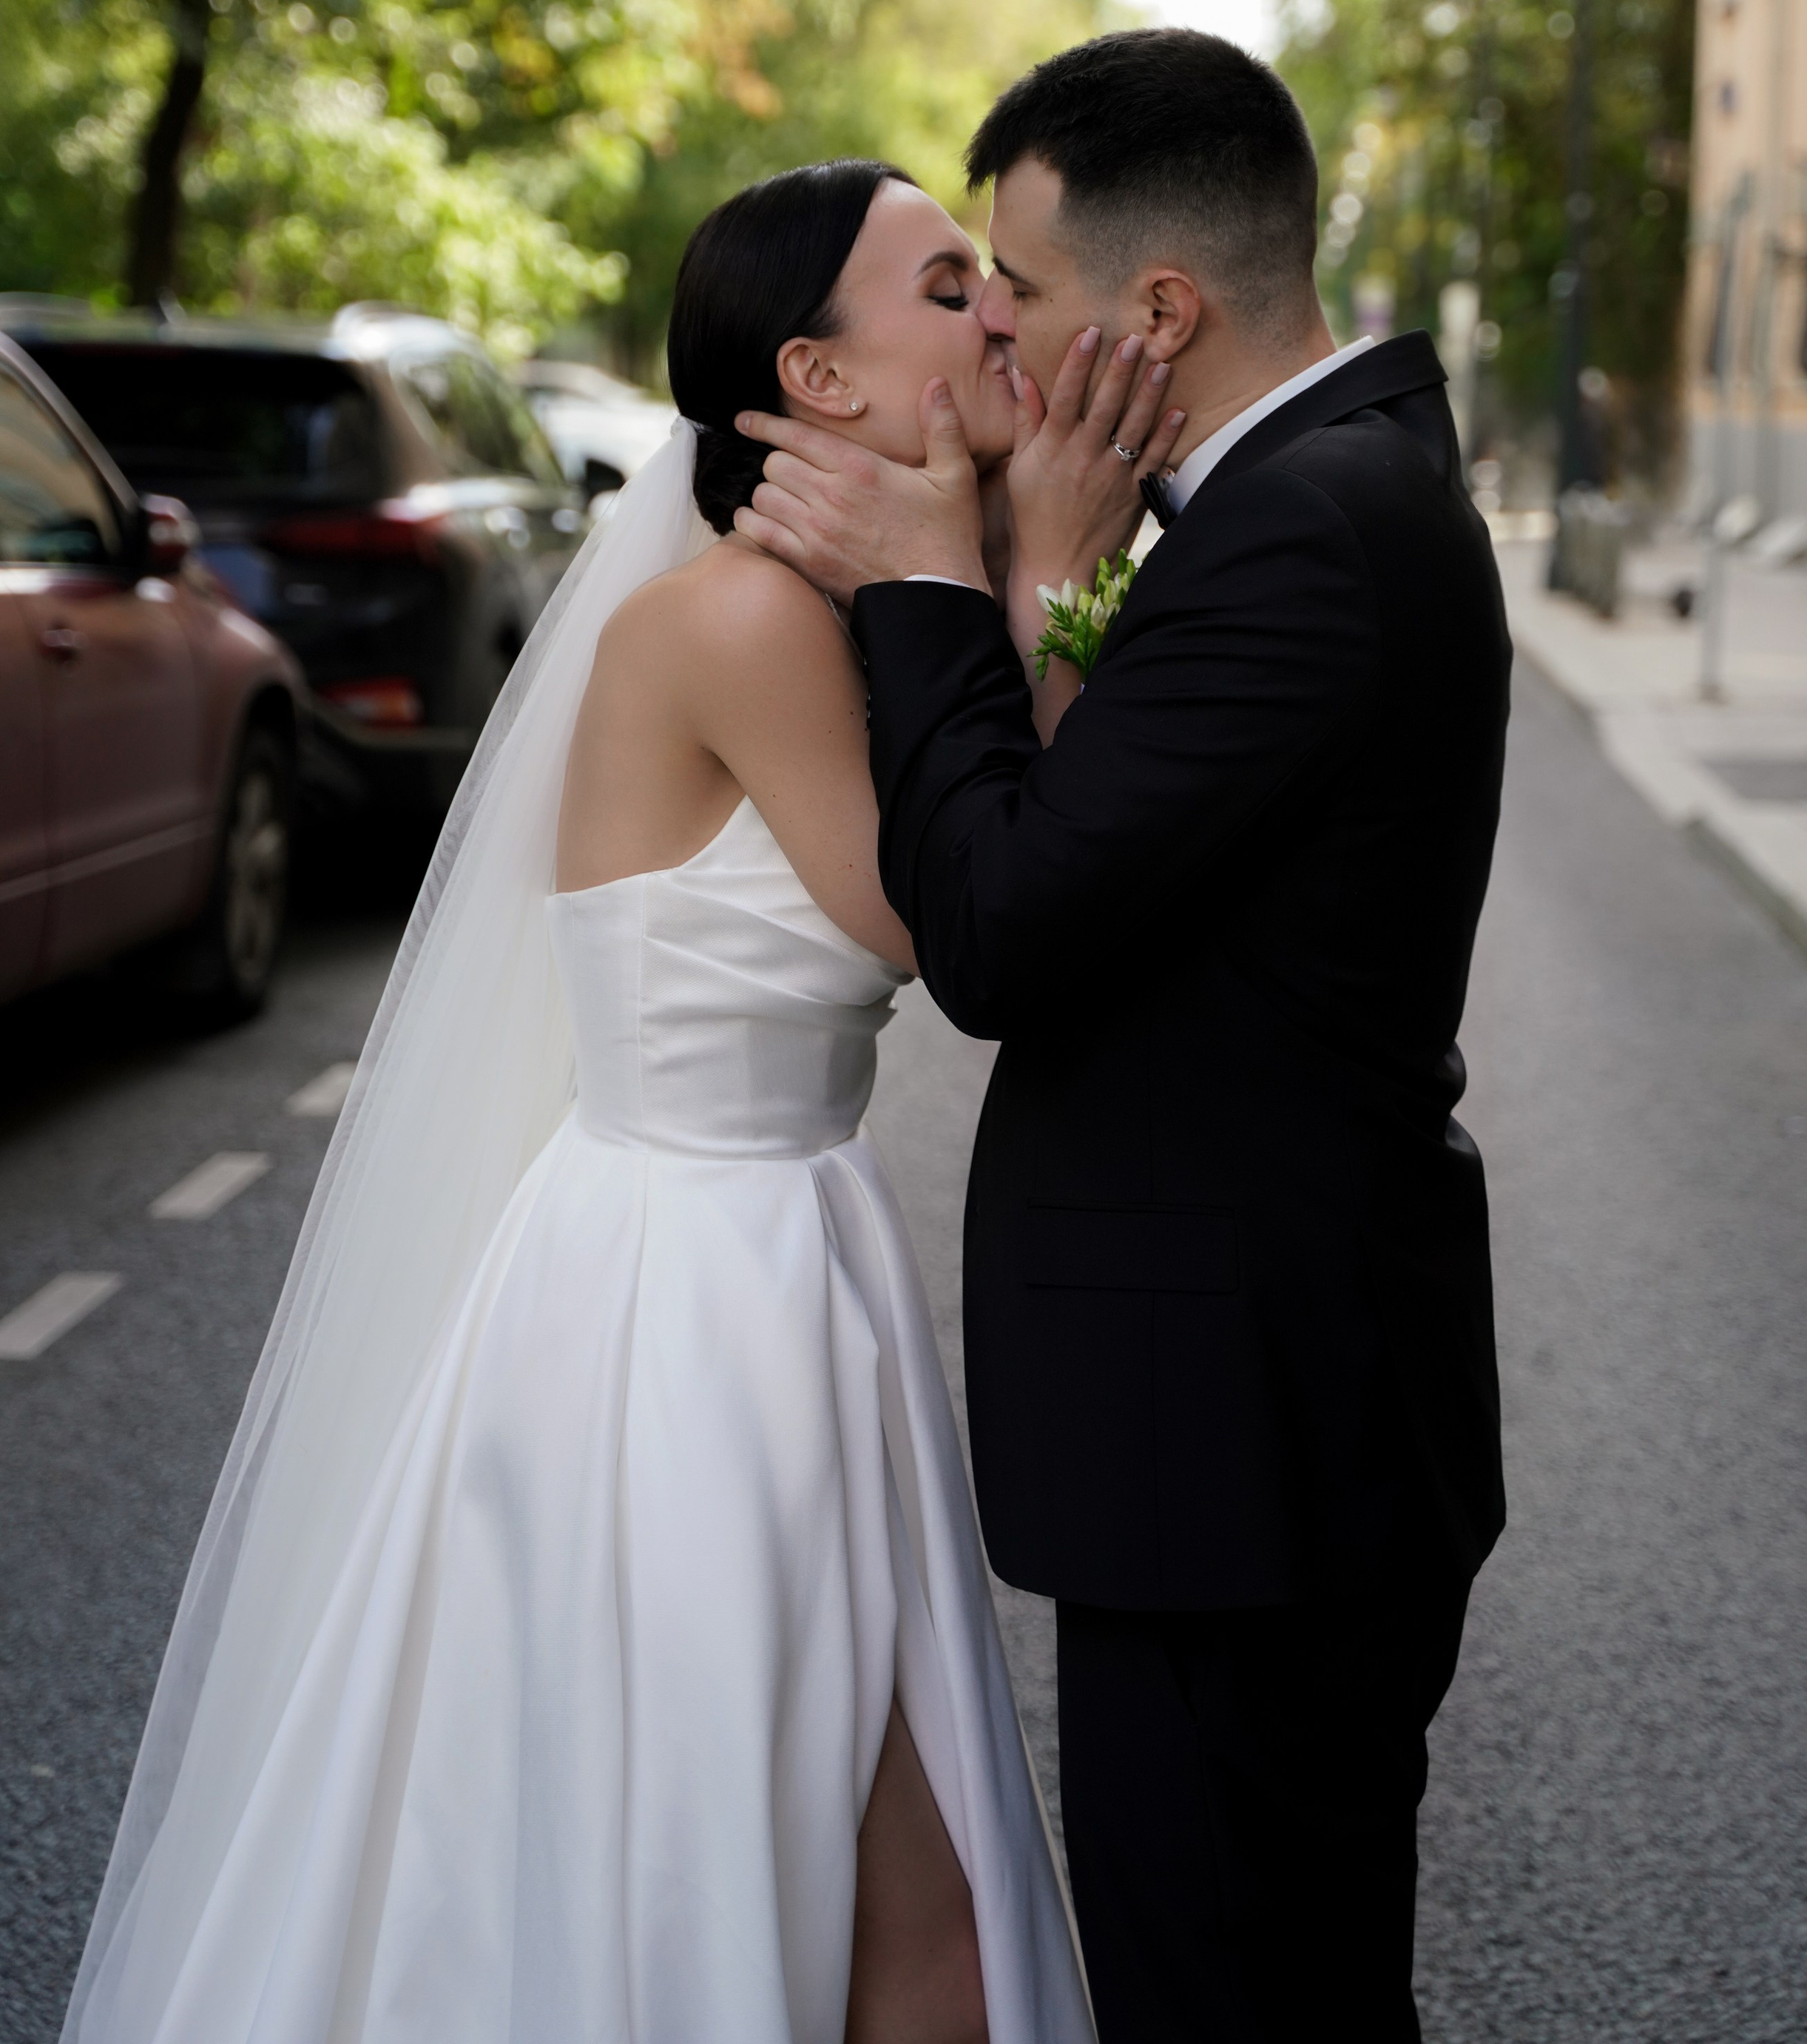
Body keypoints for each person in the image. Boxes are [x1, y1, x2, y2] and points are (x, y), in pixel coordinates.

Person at [61, 162, 1141, 2044]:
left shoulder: (847, 604)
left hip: (779, 1255)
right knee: (794, 1871)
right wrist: (1028, 568)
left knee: (871, 1869)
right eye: (947, 283)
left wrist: (971, 578)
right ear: (813, 372)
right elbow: (950, 917)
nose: (997, 313)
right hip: (686, 1301)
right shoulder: (742, 622)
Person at [735, 28, 1513, 2042]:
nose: (1001, 322)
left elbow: (1003, 920)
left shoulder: (1304, 530)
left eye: (1027, 288)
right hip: (1262, 1413)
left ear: (1158, 308)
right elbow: (1135, 840)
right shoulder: (1321, 491)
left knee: (1236, 1988)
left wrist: (929, 581)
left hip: (1247, 1437)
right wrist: (1061, 584)